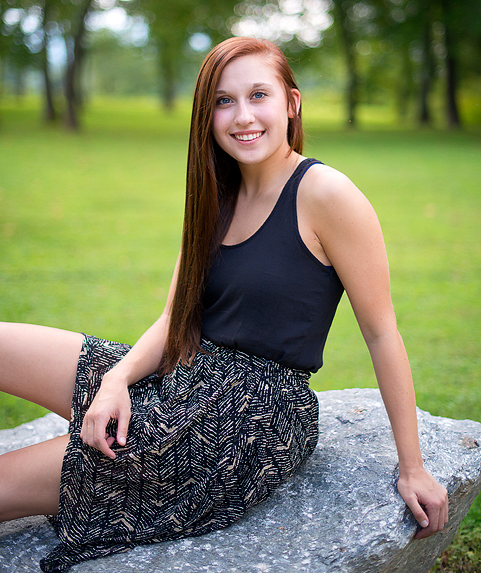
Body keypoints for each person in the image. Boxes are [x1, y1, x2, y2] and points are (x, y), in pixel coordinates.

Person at [0, 37, 448, 572]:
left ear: (292, 103)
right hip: (183, 376)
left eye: (258, 95)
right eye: (223, 101)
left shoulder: (326, 193)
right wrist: (116, 379)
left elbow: (381, 332)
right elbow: (174, 319)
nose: (243, 116)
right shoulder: (216, 194)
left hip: (247, 419)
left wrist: (412, 466)